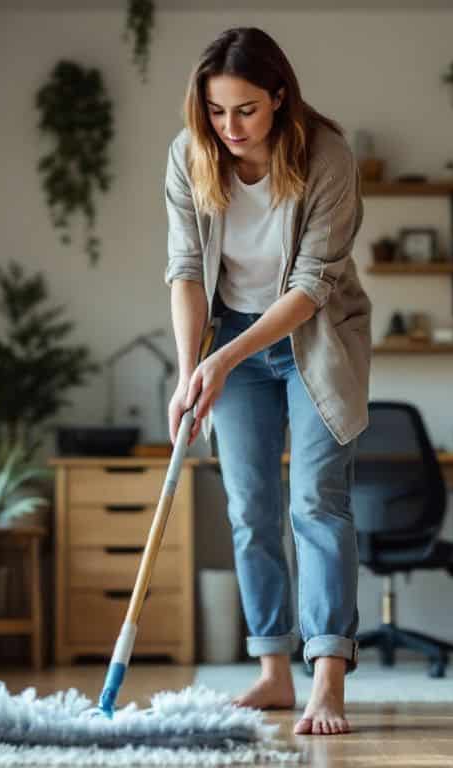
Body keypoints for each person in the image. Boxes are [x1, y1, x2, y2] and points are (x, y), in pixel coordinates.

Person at [162, 26, 373, 736]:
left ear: (280, 98)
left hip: (315, 343)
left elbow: (313, 286)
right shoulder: (189, 156)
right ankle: (273, 674)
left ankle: (328, 683)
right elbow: (187, 271)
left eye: (246, 110)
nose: (229, 129)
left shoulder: (327, 157)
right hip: (233, 346)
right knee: (251, 509)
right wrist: (191, 369)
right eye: (217, 112)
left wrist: (219, 360)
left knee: (317, 502)